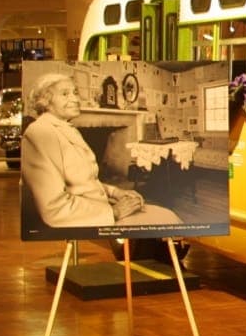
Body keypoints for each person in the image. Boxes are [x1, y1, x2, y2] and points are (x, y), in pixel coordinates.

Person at [21, 73, 182, 229]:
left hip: (98, 208)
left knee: (166, 215)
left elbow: (84, 183)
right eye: (65, 94)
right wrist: (115, 211)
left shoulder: (67, 129)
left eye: (75, 92)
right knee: (167, 219)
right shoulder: (39, 133)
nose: (75, 99)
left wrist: (116, 192)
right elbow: (54, 208)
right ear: (46, 102)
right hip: (82, 220)